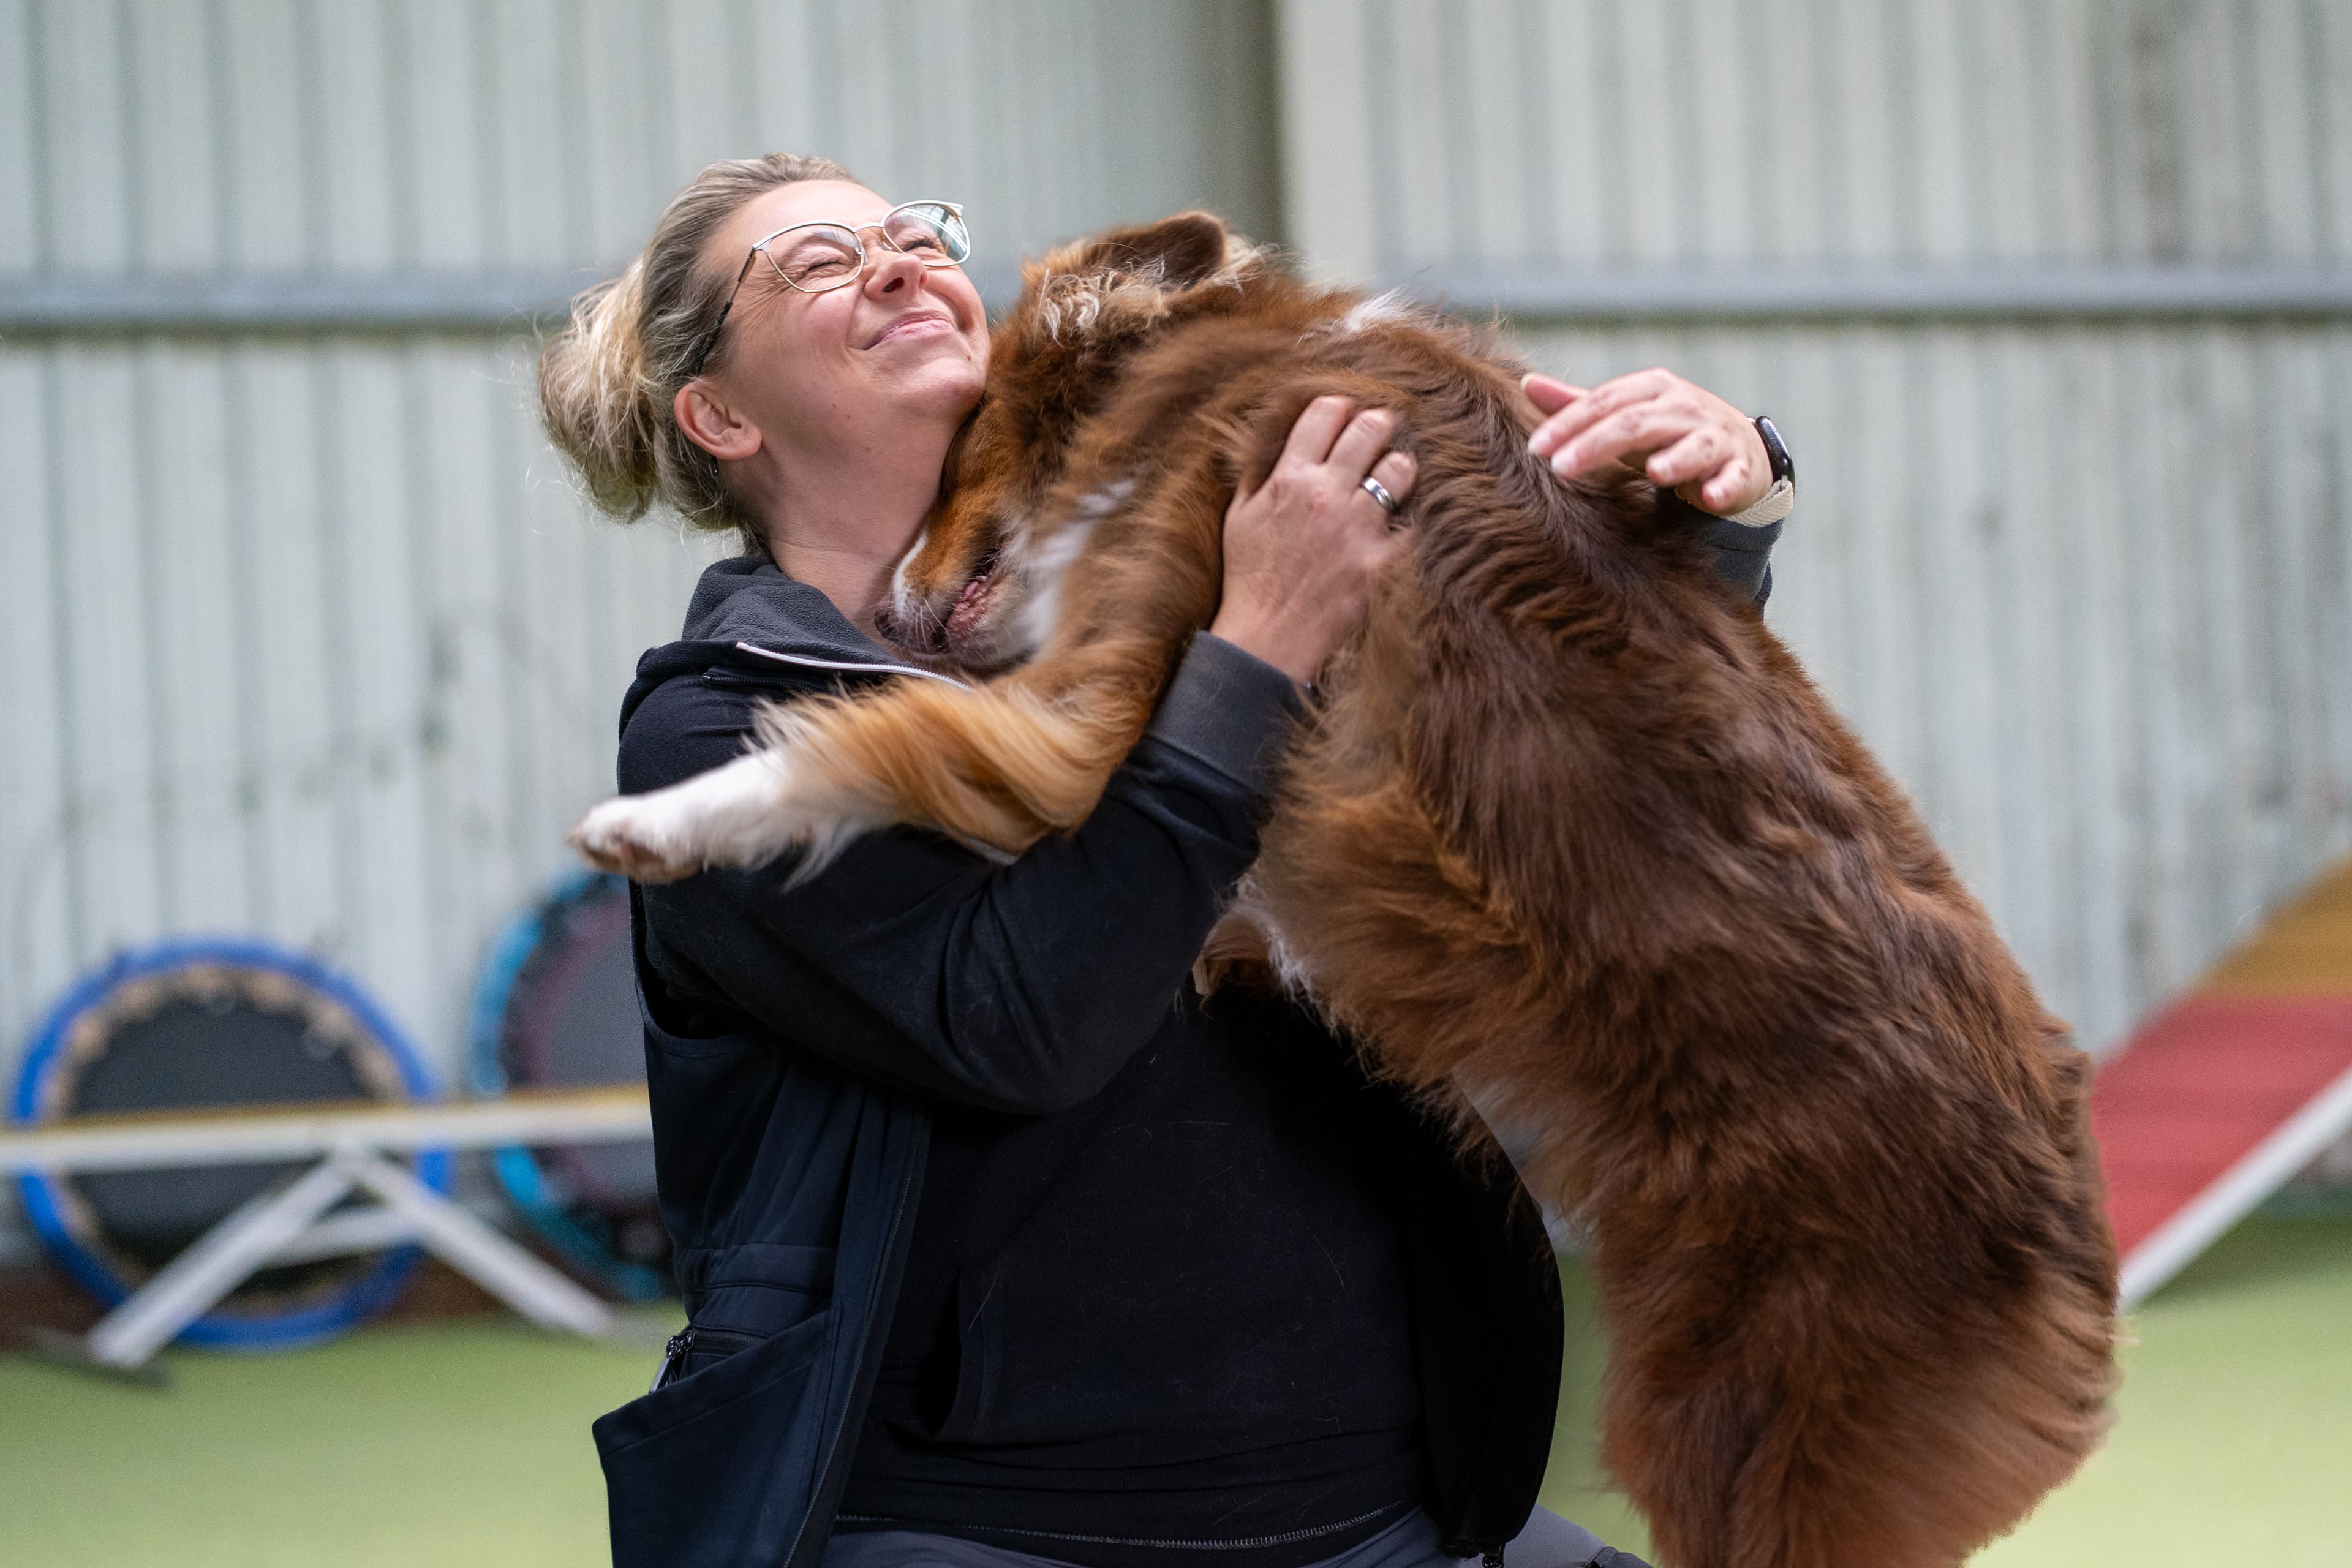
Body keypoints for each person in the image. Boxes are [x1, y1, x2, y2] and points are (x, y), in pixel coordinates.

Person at [537, 154, 1791, 1568]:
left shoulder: (1190, 572)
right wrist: (1257, 648)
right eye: (815, 265)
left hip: (1379, 1497)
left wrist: (1698, 523)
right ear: (719, 414)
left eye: (908, 234)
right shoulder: (722, 719)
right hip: (979, 1522)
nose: (895, 263)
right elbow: (1020, 1017)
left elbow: (1559, 768)